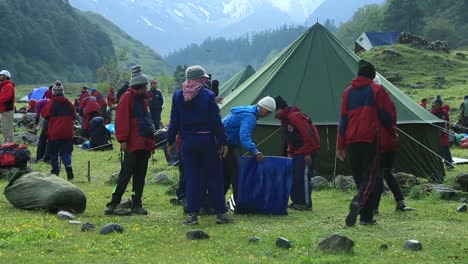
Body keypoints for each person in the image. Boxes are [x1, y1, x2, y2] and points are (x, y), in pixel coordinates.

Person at [167, 65, 232, 225]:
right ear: (197, 78)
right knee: (214, 177)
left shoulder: (177, 96)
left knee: (192, 178)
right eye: (203, 77)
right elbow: (216, 121)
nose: (205, 79)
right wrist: (223, 141)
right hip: (207, 141)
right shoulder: (208, 95)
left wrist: (169, 141)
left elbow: (174, 121)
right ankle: (220, 214)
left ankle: (192, 215)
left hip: (188, 142)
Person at [337, 60, 395, 226]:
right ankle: (358, 202)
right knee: (371, 175)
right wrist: (391, 131)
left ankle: (365, 217)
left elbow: (343, 120)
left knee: (359, 176)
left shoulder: (347, 92)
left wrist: (340, 145)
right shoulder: (377, 89)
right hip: (370, 138)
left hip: (351, 139)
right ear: (372, 75)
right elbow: (386, 114)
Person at [104, 65, 155, 215]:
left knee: (140, 175)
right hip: (133, 143)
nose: (146, 88)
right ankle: (114, 202)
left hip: (144, 143)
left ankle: (136, 203)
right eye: (145, 86)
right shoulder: (127, 98)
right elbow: (122, 120)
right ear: (140, 86)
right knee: (125, 174)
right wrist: (123, 140)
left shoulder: (143, 100)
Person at [371, 77, 415, 214]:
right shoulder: (387, 99)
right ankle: (400, 202)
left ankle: (373, 208)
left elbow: (383, 120)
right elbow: (391, 119)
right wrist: (392, 133)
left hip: (378, 141)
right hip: (390, 141)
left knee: (378, 174)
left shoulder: (371, 100)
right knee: (387, 172)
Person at [222, 96, 276, 203]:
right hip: (225, 146)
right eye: (268, 111)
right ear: (262, 107)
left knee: (225, 174)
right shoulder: (250, 117)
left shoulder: (246, 109)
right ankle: (239, 202)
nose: (268, 114)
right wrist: (255, 151)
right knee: (235, 175)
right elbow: (244, 136)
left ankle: (214, 203)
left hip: (219, 142)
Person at [274, 96, 320, 211]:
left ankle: (305, 203)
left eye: (276, 110)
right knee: (294, 177)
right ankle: (296, 202)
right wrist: (289, 152)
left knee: (303, 177)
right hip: (296, 152)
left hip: (305, 151)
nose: (275, 113)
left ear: (281, 108)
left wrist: (308, 153)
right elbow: (290, 138)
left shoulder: (295, 117)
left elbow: (308, 135)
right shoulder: (285, 120)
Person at [41, 81, 76, 180]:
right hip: (67, 132)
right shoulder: (69, 103)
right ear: (62, 91)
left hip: (55, 132)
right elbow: (74, 116)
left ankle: (55, 170)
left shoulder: (51, 103)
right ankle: (68, 165)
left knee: (53, 152)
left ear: (54, 92)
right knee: (66, 152)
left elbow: (44, 114)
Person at [431, 99, 454, 169]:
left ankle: (448, 164)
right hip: (435, 133)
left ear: (441, 105)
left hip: (444, 133)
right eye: (435, 104)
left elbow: (447, 121)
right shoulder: (432, 112)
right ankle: (437, 164)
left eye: (438, 104)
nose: (436, 105)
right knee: (436, 148)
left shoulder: (444, 112)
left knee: (445, 148)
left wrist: (447, 130)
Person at [0, 70, 15, 143]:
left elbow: (6, 97)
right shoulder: (3, 86)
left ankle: (10, 143)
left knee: (8, 127)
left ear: (6, 76)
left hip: (8, 110)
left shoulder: (8, 86)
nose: (0, 76)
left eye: (1, 75)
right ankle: (6, 141)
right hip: (3, 110)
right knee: (3, 127)